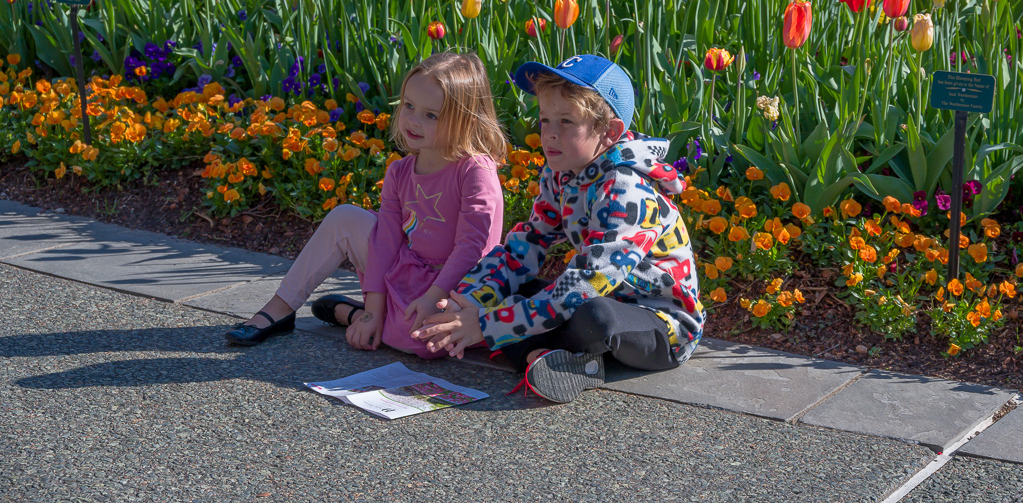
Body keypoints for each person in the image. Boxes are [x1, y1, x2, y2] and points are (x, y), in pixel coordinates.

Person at [413, 54, 705, 402]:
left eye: (566, 121)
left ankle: (543, 355)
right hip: (599, 296)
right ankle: (547, 361)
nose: (549, 133)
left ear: (608, 132)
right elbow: (524, 248)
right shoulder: (561, 173)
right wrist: (465, 302)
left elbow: (590, 280)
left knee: (592, 315)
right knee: (519, 294)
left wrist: (486, 323)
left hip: (660, 325)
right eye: (545, 119)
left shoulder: (627, 189)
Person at [225, 51, 507, 357]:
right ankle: (280, 309)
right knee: (345, 217)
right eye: (409, 106)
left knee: (422, 342)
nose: (412, 120)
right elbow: (386, 242)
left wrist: (431, 298)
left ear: (464, 119)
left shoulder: (474, 171)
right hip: (409, 270)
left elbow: (472, 249)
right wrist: (375, 310)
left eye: (431, 115)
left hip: (457, 286)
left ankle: (348, 314)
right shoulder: (400, 171)